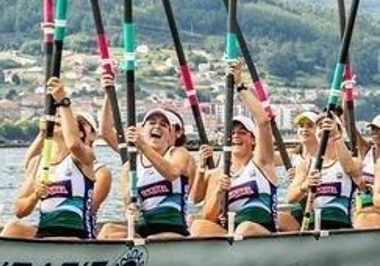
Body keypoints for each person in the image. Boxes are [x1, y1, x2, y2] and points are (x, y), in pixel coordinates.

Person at [2, 77, 100, 239]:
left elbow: (74, 145)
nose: (56, 117)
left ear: (77, 130)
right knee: (13, 227)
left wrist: (63, 102)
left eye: (62, 117)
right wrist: (35, 195)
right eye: (55, 115)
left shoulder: (85, 157)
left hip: (76, 236)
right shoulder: (37, 162)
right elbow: (19, 210)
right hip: (45, 234)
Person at [190, 63, 280, 238]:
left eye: (242, 132)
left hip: (260, 231)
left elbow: (263, 121)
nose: (236, 136)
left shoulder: (262, 163)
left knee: (245, 228)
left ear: (253, 139)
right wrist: (218, 193)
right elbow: (207, 216)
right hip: (233, 236)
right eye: (231, 133)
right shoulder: (220, 174)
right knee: (198, 226)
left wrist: (240, 85)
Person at [99, 106, 195, 239]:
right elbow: (128, 203)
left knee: (151, 239)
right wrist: (130, 209)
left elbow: (172, 173)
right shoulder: (130, 166)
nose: (157, 126)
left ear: (169, 133)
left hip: (171, 228)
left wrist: (142, 145)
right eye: (152, 122)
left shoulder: (178, 153)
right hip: (142, 229)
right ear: (142, 130)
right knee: (107, 230)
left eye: (163, 124)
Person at [294, 110, 363, 231]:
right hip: (313, 226)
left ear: (339, 131)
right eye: (320, 127)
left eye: (330, 126)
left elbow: (350, 170)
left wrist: (336, 135)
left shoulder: (354, 161)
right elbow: (290, 197)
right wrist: (305, 186)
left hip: (341, 226)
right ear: (316, 134)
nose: (326, 130)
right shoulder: (306, 164)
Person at [350, 113, 380, 229]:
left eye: (379, 129)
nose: (375, 132)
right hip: (363, 205)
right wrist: (346, 99)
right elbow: (350, 127)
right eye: (373, 129)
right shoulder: (367, 151)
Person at [279, 111, 320, 231]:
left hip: (317, 206)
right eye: (301, 126)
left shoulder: (325, 157)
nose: (304, 129)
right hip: (297, 206)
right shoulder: (293, 156)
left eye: (310, 126)